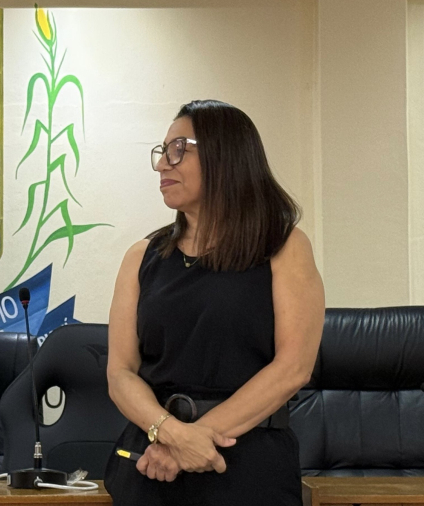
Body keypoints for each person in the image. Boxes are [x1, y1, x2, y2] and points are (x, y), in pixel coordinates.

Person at [104, 100, 325, 505]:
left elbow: (293, 367)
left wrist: (192, 442)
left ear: (225, 155)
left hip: (245, 462)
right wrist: (172, 435)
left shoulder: (284, 246)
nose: (162, 165)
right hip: (152, 461)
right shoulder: (141, 256)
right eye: (162, 151)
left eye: (178, 150)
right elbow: (120, 373)